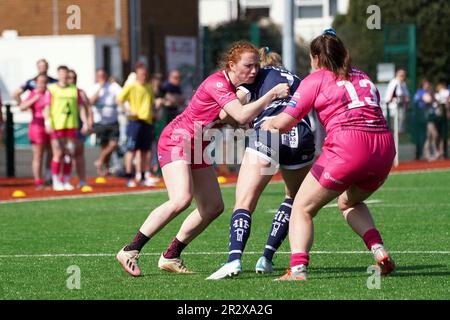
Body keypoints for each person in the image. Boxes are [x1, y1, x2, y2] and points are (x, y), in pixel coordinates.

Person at [116, 41, 289, 277]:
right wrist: (271, 94)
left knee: (213, 207)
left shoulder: (236, 87)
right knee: (181, 199)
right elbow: (238, 113)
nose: (254, 71)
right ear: (231, 65)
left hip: (198, 146)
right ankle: (130, 250)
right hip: (177, 140)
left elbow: (226, 116)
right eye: (248, 66)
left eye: (256, 66)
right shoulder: (217, 82)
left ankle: (171, 255)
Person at [261, 29, 396, 281]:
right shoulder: (363, 76)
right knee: (348, 202)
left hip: (348, 146)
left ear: (315, 57)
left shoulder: (316, 79)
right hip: (384, 148)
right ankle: (379, 252)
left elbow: (283, 124)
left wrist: (262, 123)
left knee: (301, 207)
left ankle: (298, 269)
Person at [207, 48, 316, 280]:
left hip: (269, 131)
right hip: (302, 135)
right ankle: (266, 258)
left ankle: (233, 260)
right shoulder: (296, 79)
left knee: (244, 202)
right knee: (294, 199)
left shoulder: (257, 77)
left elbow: (229, 113)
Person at [44, 66, 89, 191]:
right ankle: (55, 180)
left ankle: (66, 179)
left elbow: (81, 108)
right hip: (57, 126)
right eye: (61, 73)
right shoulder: (52, 89)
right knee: (57, 153)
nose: (63, 76)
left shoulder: (74, 90)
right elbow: (47, 107)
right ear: (58, 75)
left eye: (65, 73)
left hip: (71, 126)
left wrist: (85, 122)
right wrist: (48, 122)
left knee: (69, 153)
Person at [117, 64, 159, 187]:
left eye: (145, 74)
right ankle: (129, 176)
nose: (143, 76)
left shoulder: (148, 87)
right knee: (131, 150)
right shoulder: (131, 86)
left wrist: (155, 112)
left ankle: (143, 175)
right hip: (135, 122)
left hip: (147, 121)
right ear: (137, 74)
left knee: (145, 151)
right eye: (141, 74)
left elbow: (151, 103)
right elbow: (119, 100)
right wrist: (127, 111)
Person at [19, 74, 52, 189]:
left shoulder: (50, 93)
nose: (42, 84)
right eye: (40, 82)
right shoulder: (33, 93)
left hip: (50, 127)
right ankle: (38, 181)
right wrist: (35, 98)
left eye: (44, 82)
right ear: (36, 83)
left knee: (52, 153)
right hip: (37, 127)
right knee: (38, 155)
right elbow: (22, 107)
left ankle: (49, 178)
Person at [88, 68, 123, 176]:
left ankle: (100, 161)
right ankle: (105, 169)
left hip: (112, 120)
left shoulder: (113, 87)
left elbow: (120, 98)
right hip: (100, 121)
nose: (101, 77)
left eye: (103, 75)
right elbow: (91, 102)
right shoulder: (94, 87)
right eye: (99, 75)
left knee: (113, 144)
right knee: (104, 146)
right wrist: (100, 88)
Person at [67, 69, 93, 187]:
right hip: (64, 128)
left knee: (78, 153)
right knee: (66, 154)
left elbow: (88, 108)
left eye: (74, 78)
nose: (72, 80)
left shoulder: (80, 92)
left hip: (77, 126)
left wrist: (88, 123)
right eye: (70, 78)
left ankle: (82, 180)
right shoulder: (62, 92)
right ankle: (64, 179)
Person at [385, 68, 410, 134]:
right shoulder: (395, 82)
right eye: (401, 75)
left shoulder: (403, 84)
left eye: (404, 75)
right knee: (393, 130)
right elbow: (399, 95)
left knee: (396, 131)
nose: (403, 77)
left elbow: (406, 96)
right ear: (397, 74)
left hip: (398, 109)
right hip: (393, 109)